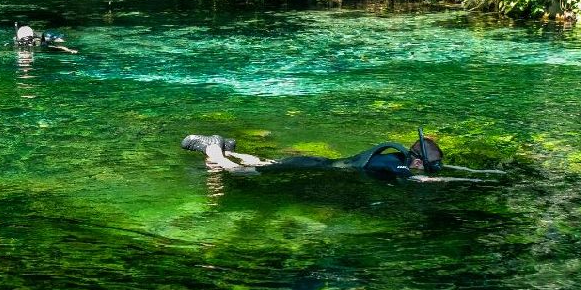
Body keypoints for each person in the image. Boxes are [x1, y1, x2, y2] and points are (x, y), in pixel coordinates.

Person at [181, 129, 505, 183]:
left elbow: (436, 167)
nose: (430, 169)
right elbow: (425, 180)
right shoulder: (399, 166)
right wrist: (465, 179)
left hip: (320, 166)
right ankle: (210, 147)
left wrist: (485, 173)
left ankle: (222, 146)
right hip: (320, 169)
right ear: (417, 159)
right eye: (428, 164)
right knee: (245, 174)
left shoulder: (404, 156)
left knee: (266, 164)